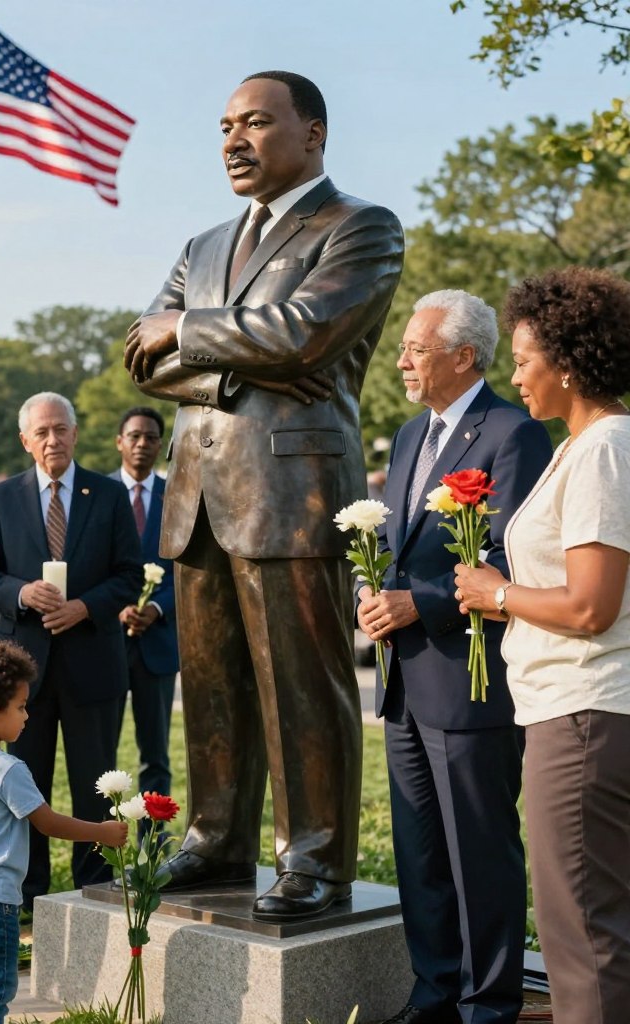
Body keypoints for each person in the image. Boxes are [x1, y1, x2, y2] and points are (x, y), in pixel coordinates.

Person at [124, 70, 404, 919]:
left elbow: (309, 331)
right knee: (209, 685)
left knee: (300, 685)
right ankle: (215, 840)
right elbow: (143, 356)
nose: (233, 141)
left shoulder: (360, 227)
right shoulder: (203, 245)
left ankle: (315, 860)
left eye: (255, 123)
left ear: (312, 134)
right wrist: (248, 368)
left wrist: (194, 334)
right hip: (200, 492)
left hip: (294, 493)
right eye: (223, 127)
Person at [356, 291, 552, 1024]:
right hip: (404, 680)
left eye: (415, 348)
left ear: (464, 356)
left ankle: (487, 1005)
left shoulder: (512, 435)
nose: (401, 360)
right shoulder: (409, 437)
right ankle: (434, 993)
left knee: (480, 856)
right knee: (420, 857)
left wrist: (424, 603)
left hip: (473, 683)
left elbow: (511, 554)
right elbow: (391, 543)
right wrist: (370, 594)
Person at [455, 267, 630, 1024]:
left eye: (524, 359)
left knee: (581, 939)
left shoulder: (602, 451)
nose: (515, 375)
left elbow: (591, 605)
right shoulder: (584, 446)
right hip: (580, 713)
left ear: (565, 360)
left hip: (584, 716)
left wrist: (496, 594)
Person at [0, 392, 142, 912]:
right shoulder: (3, 498)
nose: (53, 440)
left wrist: (85, 607)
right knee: (27, 788)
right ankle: (29, 897)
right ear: (25, 441)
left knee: (95, 784)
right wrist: (22, 594)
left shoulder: (108, 495)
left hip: (93, 666)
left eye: (60, 429)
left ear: (75, 432)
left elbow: (129, 575)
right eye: (41, 432)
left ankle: (98, 891)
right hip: (25, 675)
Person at [0, 638, 128, 1024]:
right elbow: (48, 823)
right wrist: (101, 832)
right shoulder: (7, 768)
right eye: (20, 707)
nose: (27, 715)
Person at [110, 407, 178, 810]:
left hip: (159, 643)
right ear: (120, 441)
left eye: (151, 438)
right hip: (106, 641)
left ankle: (151, 852)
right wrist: (118, 605)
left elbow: (189, 573)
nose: (141, 444)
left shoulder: (178, 496)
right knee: (100, 755)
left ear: (161, 445)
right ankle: (104, 845)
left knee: (157, 756)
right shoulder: (97, 494)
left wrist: (156, 607)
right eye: (133, 436)